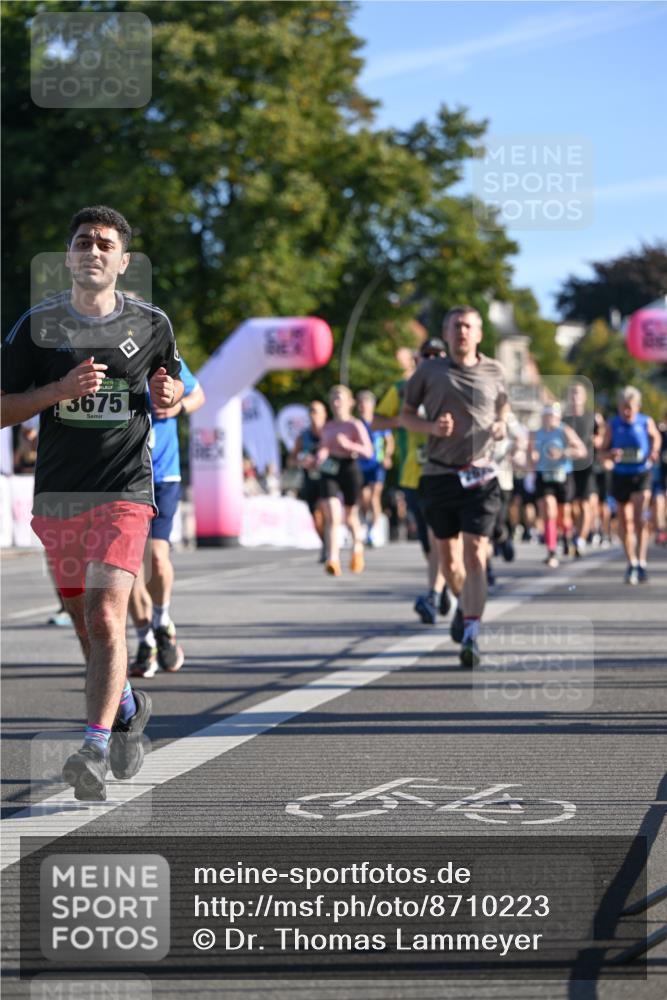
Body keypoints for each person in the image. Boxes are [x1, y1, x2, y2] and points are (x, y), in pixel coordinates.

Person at [1, 205, 183, 801]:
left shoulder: (153, 323)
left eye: (106, 243)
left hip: (124, 491)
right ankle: (128, 704)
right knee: (86, 627)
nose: (94, 250)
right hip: (58, 496)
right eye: (83, 241)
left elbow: (173, 390)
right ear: (69, 257)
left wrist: (170, 394)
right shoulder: (37, 325)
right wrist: (58, 390)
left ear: (123, 261)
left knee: (107, 614)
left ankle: (94, 748)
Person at [401, 306, 508, 668]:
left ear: (479, 334)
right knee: (448, 560)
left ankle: (473, 635)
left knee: (476, 554)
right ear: (446, 335)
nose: (461, 332)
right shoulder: (429, 370)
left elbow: (504, 408)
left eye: (467, 326)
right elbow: (405, 415)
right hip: (439, 474)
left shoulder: (495, 370)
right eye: (455, 326)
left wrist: (501, 425)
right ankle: (463, 606)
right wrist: (431, 429)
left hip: (480, 475)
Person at [128, 356, 205, 678]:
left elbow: (199, 394)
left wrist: (177, 408)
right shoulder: (106, 359)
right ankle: (145, 640)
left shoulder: (162, 355)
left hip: (163, 475)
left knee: (157, 557)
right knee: (128, 567)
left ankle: (161, 621)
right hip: (125, 477)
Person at [374, 340, 450, 625]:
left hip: (443, 472)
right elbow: (375, 422)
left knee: (437, 537)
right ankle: (441, 588)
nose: (431, 359)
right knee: (429, 546)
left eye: (437, 355)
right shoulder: (401, 389)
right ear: (417, 359)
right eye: (426, 355)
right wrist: (404, 420)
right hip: (412, 474)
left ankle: (433, 593)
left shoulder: (452, 386)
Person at [601, 386, 661, 584]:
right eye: (623, 407)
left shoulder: (645, 422)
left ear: (637, 406)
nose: (627, 411)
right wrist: (610, 455)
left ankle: (642, 560)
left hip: (641, 473)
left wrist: (653, 451)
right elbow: (602, 451)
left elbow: (656, 438)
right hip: (621, 475)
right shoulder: (613, 424)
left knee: (639, 517)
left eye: (630, 407)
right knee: (625, 522)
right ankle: (632, 562)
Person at [316, 385, 373, 576]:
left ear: (350, 402)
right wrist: (320, 455)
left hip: (350, 467)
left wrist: (348, 445)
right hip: (331, 468)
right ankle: (333, 558)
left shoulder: (355, 425)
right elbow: (324, 446)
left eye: (340, 398)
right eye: (333, 398)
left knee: (350, 515)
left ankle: (357, 549)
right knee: (333, 514)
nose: (336, 402)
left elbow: (368, 452)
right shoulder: (328, 426)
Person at [530, 402, 587, 568]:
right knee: (549, 509)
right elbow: (530, 454)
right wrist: (531, 465)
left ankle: (568, 537)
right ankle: (552, 550)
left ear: (557, 417)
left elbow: (582, 451)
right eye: (546, 416)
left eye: (552, 416)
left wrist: (563, 453)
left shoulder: (564, 431)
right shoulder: (536, 433)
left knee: (564, 515)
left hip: (563, 476)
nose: (549, 419)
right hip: (544, 475)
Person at [356, 390, 394, 546]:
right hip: (361, 464)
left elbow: (389, 441)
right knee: (363, 498)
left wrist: (387, 456)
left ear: (372, 405)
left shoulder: (380, 422)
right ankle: (365, 522)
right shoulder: (357, 423)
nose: (364, 407)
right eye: (361, 404)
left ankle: (374, 529)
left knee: (374, 496)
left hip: (377, 464)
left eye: (366, 403)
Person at [290, 400, 327, 560]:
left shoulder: (330, 432)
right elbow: (291, 459)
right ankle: (326, 543)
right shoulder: (303, 437)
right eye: (311, 411)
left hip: (328, 479)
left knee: (327, 512)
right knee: (316, 517)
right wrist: (301, 461)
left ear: (324, 414)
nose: (313, 414)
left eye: (316, 411)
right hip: (310, 480)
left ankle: (330, 548)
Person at [563, 382, 595, 557]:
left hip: (587, 466)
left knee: (584, 504)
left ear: (584, 397)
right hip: (567, 467)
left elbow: (603, 436)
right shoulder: (564, 419)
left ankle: (580, 539)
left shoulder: (592, 417)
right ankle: (571, 534)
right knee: (570, 506)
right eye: (572, 393)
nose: (574, 396)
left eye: (578, 393)